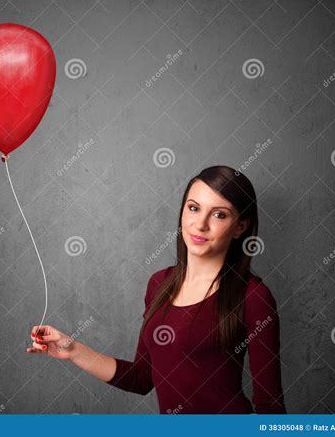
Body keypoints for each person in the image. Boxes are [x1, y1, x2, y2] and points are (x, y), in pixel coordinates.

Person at [27, 165, 287, 414]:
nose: (200, 224)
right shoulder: (159, 284)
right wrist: (72, 350)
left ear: (240, 227)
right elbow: (142, 378)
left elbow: (270, 407)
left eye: (219, 214)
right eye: (194, 208)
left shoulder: (253, 297)